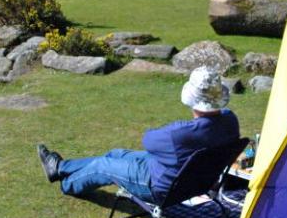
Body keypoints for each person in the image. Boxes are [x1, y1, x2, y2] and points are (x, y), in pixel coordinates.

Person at [37, 66, 240, 202]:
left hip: (161, 187)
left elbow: (148, 140)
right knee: (115, 154)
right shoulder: (230, 120)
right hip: (191, 180)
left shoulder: (180, 134)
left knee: (103, 166)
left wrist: (172, 133)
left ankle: (67, 184)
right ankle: (60, 167)